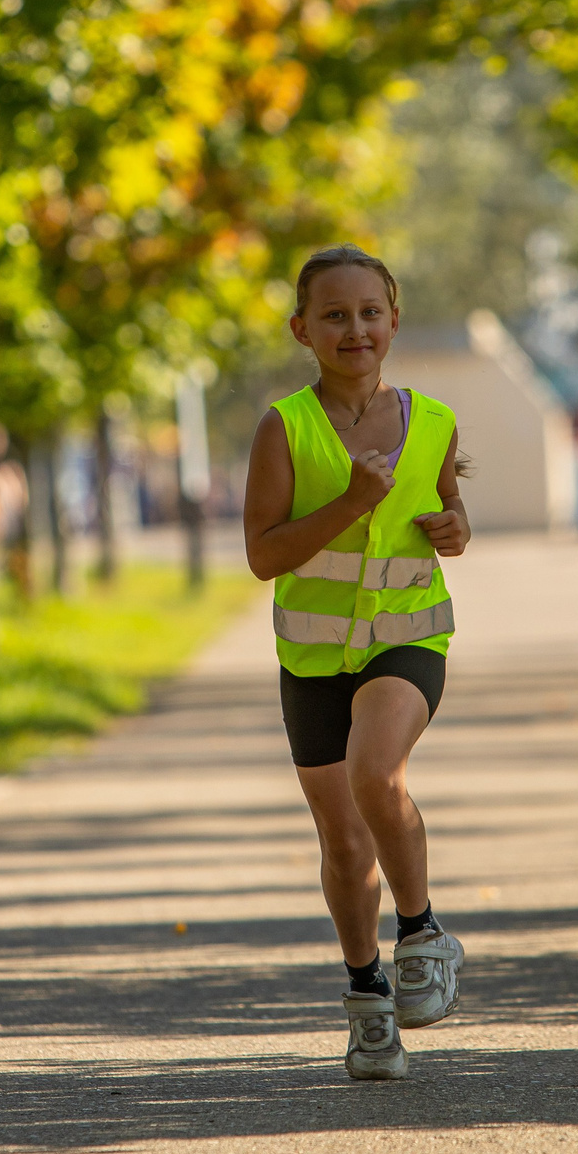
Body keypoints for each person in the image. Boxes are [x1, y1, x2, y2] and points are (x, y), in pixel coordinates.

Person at [242, 244, 472, 1082]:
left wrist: (457, 528)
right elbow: (264, 555)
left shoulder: (436, 421)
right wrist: (348, 503)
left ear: (395, 321)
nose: (355, 328)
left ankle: (422, 934)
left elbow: (449, 515)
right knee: (343, 841)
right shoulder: (286, 427)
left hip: (408, 638)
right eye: (334, 315)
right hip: (311, 658)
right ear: (302, 329)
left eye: (370, 312)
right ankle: (367, 997)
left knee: (380, 775)